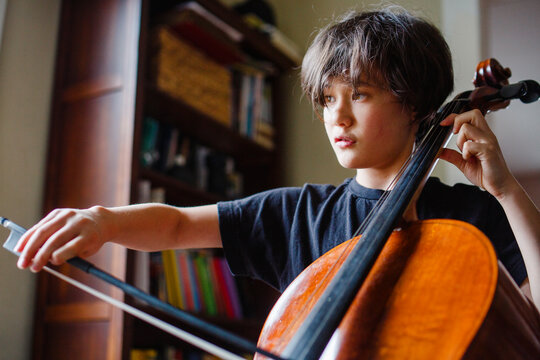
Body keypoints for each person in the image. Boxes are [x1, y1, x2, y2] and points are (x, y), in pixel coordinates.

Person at [14, 7, 539, 308]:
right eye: (328, 98)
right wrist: (100, 220)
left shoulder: (476, 218)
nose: (337, 116)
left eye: (359, 94)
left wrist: (508, 193)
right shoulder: (300, 215)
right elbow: (175, 226)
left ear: (415, 103)